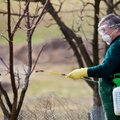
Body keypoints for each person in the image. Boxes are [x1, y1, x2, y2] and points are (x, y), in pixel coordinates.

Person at [66, 14, 120, 120]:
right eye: (101, 32)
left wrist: (84, 71)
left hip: (115, 97)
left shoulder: (117, 45)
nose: (103, 35)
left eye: (104, 30)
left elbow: (105, 69)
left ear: (117, 29)